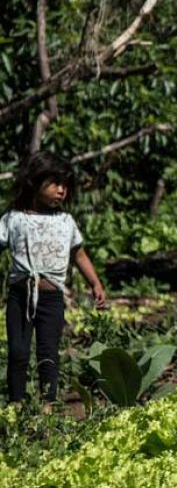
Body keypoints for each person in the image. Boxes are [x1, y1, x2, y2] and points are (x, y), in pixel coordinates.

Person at [1, 152, 107, 404]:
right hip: (20, 296)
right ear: (34, 183)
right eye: (55, 183)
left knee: (48, 352)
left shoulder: (65, 221)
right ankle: (16, 404)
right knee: (18, 351)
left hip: (51, 299)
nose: (62, 190)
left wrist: (95, 282)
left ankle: (47, 405)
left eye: (66, 185)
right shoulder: (14, 219)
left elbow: (79, 255)